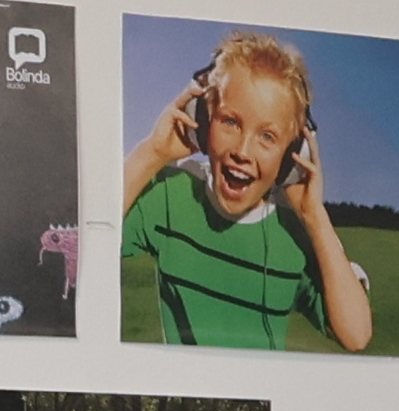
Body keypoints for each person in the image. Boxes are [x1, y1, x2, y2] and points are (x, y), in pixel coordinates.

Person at [115, 35, 372, 352]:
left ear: (292, 154)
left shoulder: (295, 234)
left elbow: (357, 334)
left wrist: (315, 217)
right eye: (230, 121)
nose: (242, 151)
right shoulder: (170, 195)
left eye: (267, 136)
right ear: (204, 122)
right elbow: (86, 237)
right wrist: (151, 153)